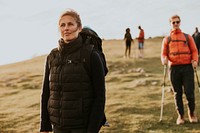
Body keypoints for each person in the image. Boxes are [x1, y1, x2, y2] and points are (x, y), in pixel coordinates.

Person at [40, 9, 106, 133]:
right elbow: (46, 92)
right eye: (62, 25)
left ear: (79, 27)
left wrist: (92, 130)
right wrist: (45, 126)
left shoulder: (91, 55)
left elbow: (100, 97)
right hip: (57, 128)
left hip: (82, 128)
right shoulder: (52, 56)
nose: (66, 28)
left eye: (70, 24)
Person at [161, 14, 198, 125]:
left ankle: (191, 114)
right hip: (174, 69)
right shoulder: (167, 39)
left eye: (177, 22)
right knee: (177, 93)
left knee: (189, 92)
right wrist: (164, 59)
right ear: (170, 24)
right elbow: (163, 53)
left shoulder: (187, 37)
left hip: (187, 68)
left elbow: (194, 51)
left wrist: (195, 60)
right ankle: (180, 116)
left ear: (180, 22)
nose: (176, 24)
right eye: (173, 22)